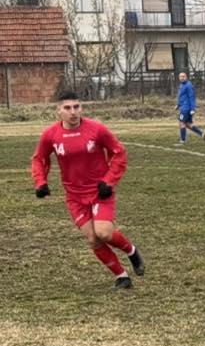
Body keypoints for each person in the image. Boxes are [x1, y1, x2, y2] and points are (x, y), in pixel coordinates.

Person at [31, 91, 145, 289]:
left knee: (104, 233)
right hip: (74, 196)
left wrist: (109, 182)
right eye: (67, 108)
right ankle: (122, 276)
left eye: (77, 107)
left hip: (100, 192)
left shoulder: (97, 129)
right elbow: (39, 159)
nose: (73, 112)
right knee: (92, 239)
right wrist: (40, 182)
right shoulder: (50, 135)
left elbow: (119, 153)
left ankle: (132, 251)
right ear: (58, 110)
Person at [175, 71, 205, 144]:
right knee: (188, 124)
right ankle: (202, 134)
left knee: (182, 123)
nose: (182, 78)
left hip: (186, 108)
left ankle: (183, 140)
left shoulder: (188, 85)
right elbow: (182, 97)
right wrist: (178, 105)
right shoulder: (181, 85)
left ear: (186, 77)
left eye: (183, 76)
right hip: (183, 107)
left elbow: (191, 97)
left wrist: (193, 108)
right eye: (180, 76)